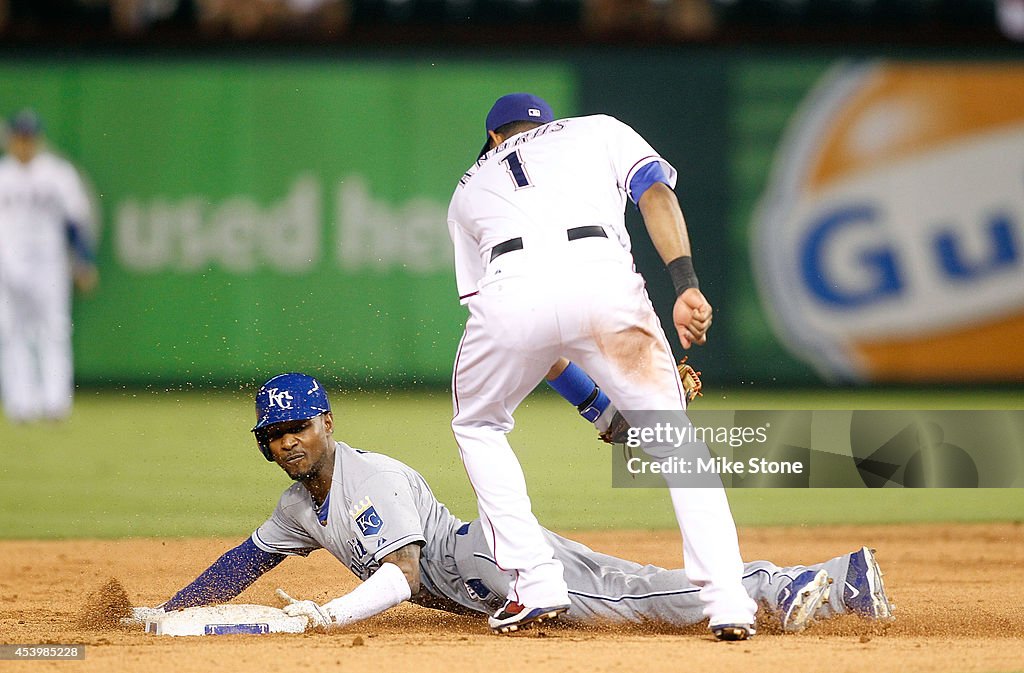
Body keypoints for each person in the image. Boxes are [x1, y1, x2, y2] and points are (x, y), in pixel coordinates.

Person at [136, 373, 894, 635]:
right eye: (275, 433)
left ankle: (794, 582)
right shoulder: (298, 506)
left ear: (328, 422)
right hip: (475, 580)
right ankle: (800, 582)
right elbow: (245, 561)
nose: (290, 441)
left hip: (488, 559)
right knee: (630, 593)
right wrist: (170, 610)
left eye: (300, 425)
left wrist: (328, 616)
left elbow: (402, 574)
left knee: (634, 594)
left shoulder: (368, 478)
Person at [446, 93, 757, 638]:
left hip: (508, 287)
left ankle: (536, 582)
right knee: (674, 438)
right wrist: (685, 286)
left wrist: (595, 406)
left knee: (478, 424)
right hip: (602, 278)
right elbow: (654, 193)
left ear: (495, 138)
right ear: (551, 123)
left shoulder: (469, 186)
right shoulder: (598, 129)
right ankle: (728, 598)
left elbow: (532, 336)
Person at [0, 109, 98, 424]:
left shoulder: (57, 173)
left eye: (29, 137)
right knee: (10, 332)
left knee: (54, 330)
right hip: (7, 267)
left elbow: (76, 220)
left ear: (37, 139)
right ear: (11, 139)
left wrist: (82, 260)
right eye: (20, 136)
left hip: (48, 266)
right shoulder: (2, 174)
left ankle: (55, 403)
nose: (24, 143)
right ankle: (21, 404)